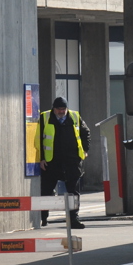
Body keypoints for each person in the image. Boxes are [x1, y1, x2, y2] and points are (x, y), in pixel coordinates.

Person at [37, 97, 90, 229]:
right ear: (53, 109)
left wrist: (85, 151)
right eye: (59, 109)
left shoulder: (75, 116)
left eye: (64, 109)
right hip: (51, 161)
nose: (61, 112)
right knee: (46, 191)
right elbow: (37, 139)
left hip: (72, 160)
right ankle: (43, 218)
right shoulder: (44, 117)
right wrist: (41, 158)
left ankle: (73, 219)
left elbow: (86, 133)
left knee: (73, 192)